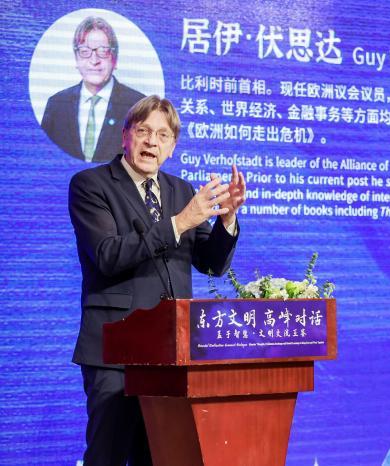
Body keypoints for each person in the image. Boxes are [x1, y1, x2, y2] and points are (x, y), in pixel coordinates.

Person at [68, 95, 246, 465]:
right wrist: (179, 223)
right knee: (108, 455)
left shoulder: (181, 191)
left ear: (172, 147)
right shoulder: (91, 185)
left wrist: (226, 221)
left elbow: (211, 264)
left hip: (171, 355)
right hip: (114, 352)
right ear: (125, 136)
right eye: (143, 131)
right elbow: (107, 255)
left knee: (161, 457)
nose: (152, 141)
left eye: (163, 135)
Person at [42, 16, 145, 163]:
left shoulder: (139, 106)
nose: (94, 60)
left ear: (115, 59)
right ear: (76, 59)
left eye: (103, 51)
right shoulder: (56, 104)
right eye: (85, 51)